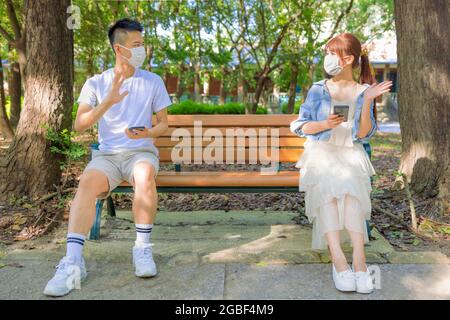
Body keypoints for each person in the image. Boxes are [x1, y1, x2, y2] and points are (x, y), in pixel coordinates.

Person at [44, 18, 171, 297]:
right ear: (119, 49)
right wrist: (108, 101)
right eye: (136, 45)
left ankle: (142, 249)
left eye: (142, 44)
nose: (142, 50)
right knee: (87, 182)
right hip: (109, 156)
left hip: (141, 152)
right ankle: (73, 262)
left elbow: (164, 124)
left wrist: (148, 132)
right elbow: (80, 124)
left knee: (144, 174)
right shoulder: (96, 83)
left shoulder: (153, 81)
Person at [290, 33, 392, 294]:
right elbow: (299, 125)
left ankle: (359, 263)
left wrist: (368, 100)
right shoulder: (318, 89)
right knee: (329, 199)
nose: (327, 57)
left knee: (352, 198)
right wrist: (325, 124)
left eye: (332, 53)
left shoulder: (362, 91)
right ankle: (339, 262)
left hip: (350, 153)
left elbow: (363, 134)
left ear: (348, 59)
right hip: (322, 153)